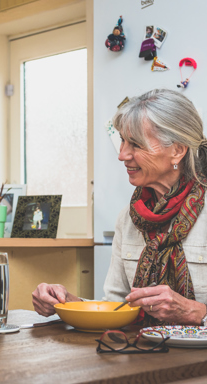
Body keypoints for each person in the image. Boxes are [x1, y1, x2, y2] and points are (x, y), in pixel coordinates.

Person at [33, 89, 207, 327]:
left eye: (135, 144)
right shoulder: (129, 218)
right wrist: (64, 302)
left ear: (177, 150)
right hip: (144, 358)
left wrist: (198, 314)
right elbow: (117, 308)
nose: (122, 154)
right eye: (122, 141)